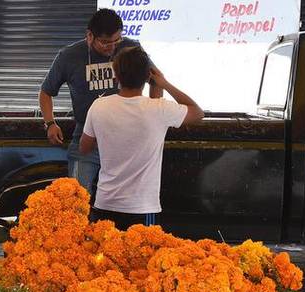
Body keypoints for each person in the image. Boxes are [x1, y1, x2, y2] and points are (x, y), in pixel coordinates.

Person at [39, 8, 161, 196]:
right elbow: (46, 92)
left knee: (128, 198)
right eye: (105, 42)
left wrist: (152, 112)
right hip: (87, 135)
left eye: (116, 40)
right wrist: (50, 123)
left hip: (127, 135)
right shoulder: (69, 56)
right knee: (76, 198)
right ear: (90, 36)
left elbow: (156, 79)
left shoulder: (130, 49)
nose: (112, 47)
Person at [79, 46, 204, 230]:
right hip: (142, 207)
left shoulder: (98, 106)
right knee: (143, 258)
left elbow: (84, 147)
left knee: (103, 257)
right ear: (148, 77)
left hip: (105, 203)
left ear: (115, 75)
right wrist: (164, 83)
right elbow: (197, 113)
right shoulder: (159, 109)